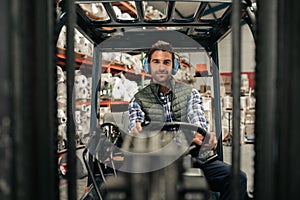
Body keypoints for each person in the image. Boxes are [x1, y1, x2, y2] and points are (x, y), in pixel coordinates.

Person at [128, 40, 249, 200]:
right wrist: (135, 130)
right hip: (155, 162)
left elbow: (196, 117)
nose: (161, 67)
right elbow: (135, 122)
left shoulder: (190, 94)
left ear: (174, 67)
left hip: (191, 158)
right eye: (156, 62)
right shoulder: (139, 99)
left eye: (166, 62)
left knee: (237, 178)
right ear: (148, 65)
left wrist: (201, 134)